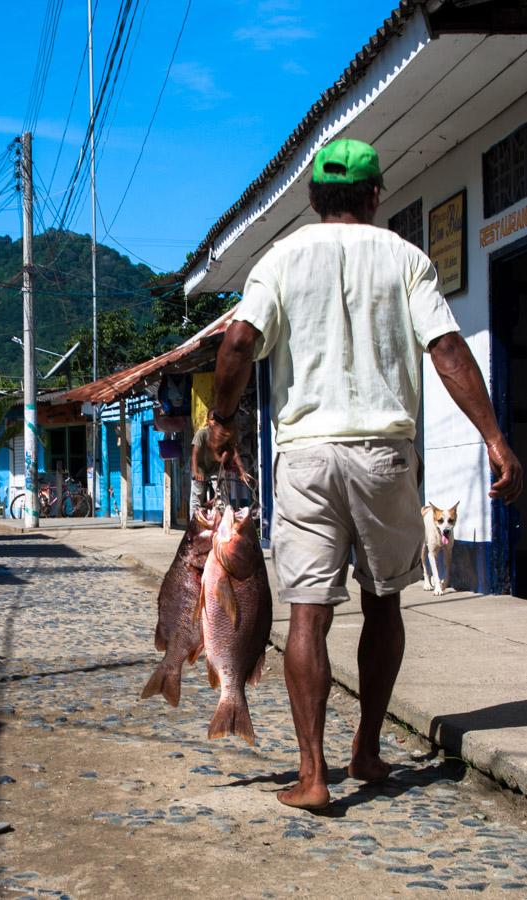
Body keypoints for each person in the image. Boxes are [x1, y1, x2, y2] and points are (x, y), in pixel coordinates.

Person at [208, 138, 523, 810]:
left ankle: (313, 775)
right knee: (384, 601)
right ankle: (367, 749)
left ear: (314, 199)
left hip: (307, 458)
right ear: (375, 194)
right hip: (385, 453)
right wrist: (494, 438)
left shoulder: (281, 259)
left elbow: (237, 342)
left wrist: (220, 421)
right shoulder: (406, 259)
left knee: (307, 614)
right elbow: (444, 349)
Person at [190, 412, 249, 517]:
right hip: (201, 467)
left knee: (223, 496)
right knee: (197, 496)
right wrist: (195, 472)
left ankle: (224, 521)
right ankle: (193, 523)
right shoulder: (202, 433)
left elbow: (234, 454)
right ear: (208, 421)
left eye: (216, 420)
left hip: (216, 469)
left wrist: (242, 472)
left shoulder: (224, 435)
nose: (214, 422)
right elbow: (195, 454)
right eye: (212, 419)